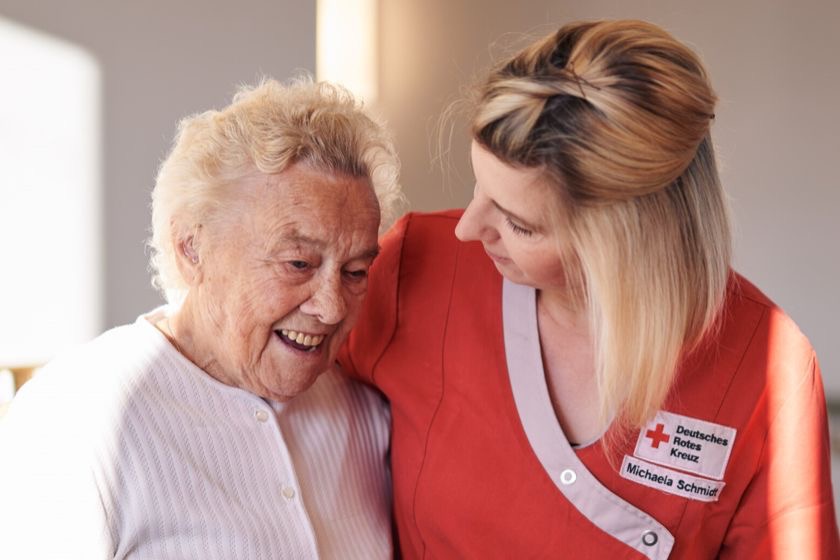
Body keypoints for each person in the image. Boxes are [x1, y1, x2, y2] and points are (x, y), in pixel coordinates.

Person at [339, 19, 840, 559]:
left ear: (621, 241)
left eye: (519, 224)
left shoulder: (767, 367)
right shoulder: (416, 267)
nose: (468, 228)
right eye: (478, 186)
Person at [0, 78, 402, 559]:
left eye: (355, 271)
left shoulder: (364, 407)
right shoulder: (77, 416)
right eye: (298, 263)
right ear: (191, 249)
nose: (333, 307)